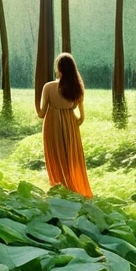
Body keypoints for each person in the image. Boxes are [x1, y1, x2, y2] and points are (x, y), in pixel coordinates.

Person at [37, 53, 93, 198]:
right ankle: (76, 187)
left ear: (59, 68)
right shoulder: (77, 88)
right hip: (71, 125)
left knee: (54, 156)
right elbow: (81, 119)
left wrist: (36, 102)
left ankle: (58, 188)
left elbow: (41, 114)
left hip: (51, 125)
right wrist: (68, 124)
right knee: (71, 157)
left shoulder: (48, 87)